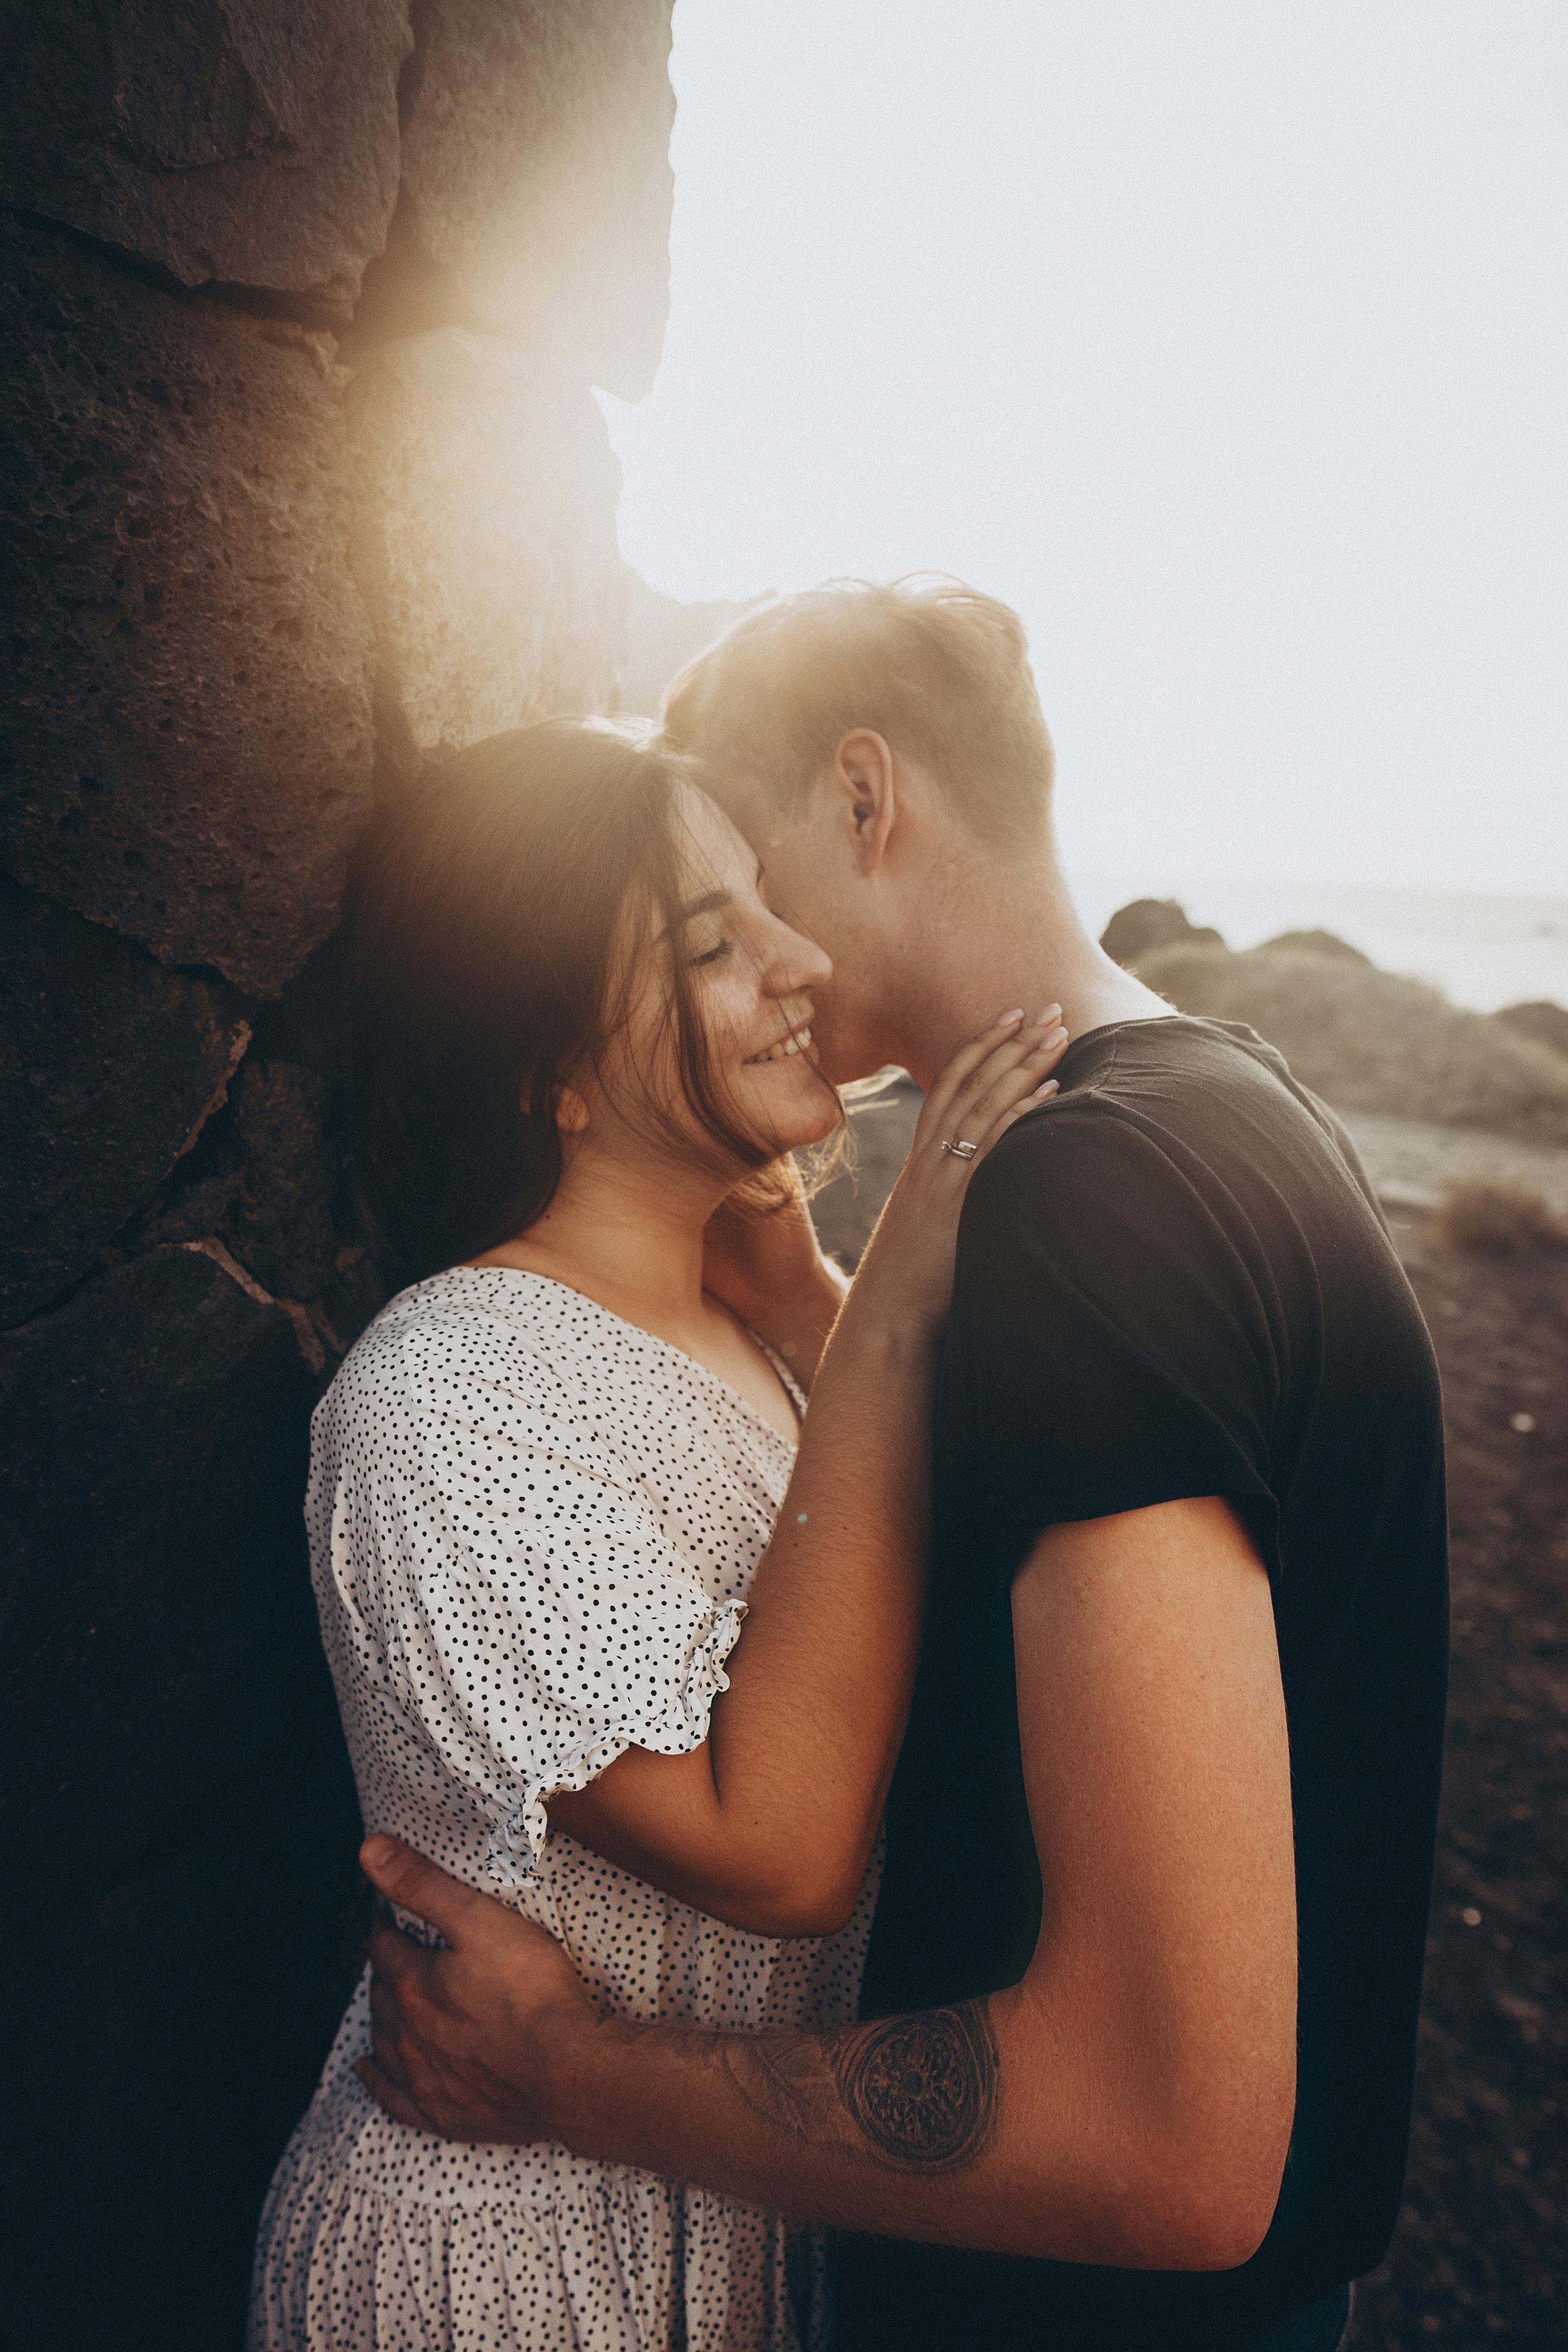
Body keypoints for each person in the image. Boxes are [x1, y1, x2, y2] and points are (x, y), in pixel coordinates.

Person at [353, 582, 1450, 2352]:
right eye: (701, 927)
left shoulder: (1088, 1202)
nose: (771, 950)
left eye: (748, 875)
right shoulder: (1217, 1108)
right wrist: (827, 1308)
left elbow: (1172, 2137)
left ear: (866, 800)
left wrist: (564, 2065)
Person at [247, 714, 1069, 2351]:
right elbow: (779, 1849)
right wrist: (905, 1293)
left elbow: (927, 1572)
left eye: (769, 900)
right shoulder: (450, 1399)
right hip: (495, 2265)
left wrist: (819, 1296)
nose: (803, 959)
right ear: (549, 1064)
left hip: (734, 2219)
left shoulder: (748, 1325)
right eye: (714, 941)